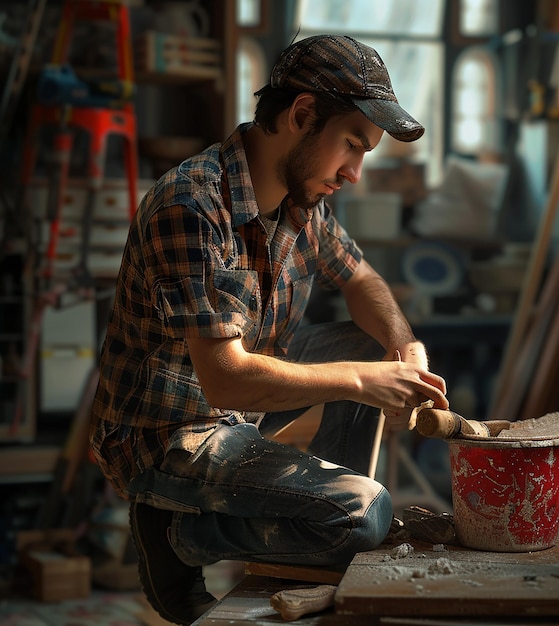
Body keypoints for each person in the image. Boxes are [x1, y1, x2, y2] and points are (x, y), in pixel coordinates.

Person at [90, 34, 449, 625]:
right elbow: (226, 383)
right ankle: (179, 534)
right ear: (302, 116)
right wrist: (362, 381)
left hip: (237, 410)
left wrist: (404, 346)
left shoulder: (300, 200)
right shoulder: (193, 203)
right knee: (366, 516)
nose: (355, 173)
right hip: (169, 433)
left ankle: (315, 517)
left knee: (369, 343)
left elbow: (363, 281)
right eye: (352, 146)